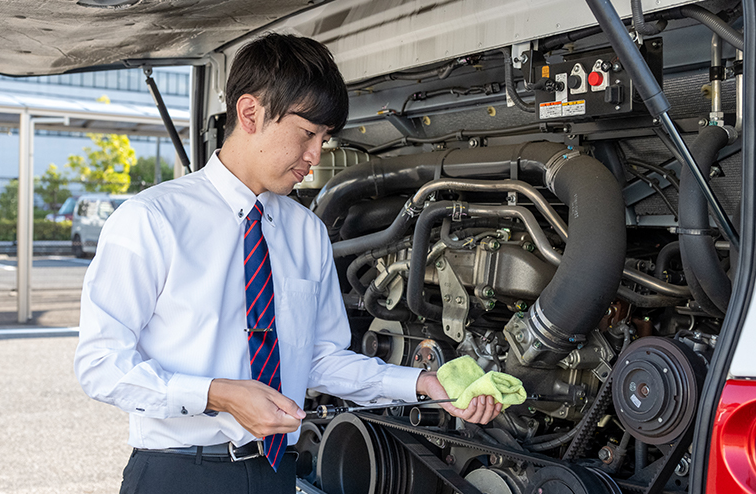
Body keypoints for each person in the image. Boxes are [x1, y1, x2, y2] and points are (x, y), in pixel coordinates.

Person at [74, 32, 502, 494]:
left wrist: (423, 382)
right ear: (250, 113)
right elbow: (101, 365)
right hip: (179, 473)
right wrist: (218, 394)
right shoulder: (151, 220)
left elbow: (317, 359)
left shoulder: (306, 231)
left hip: (276, 474)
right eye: (307, 133)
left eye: (324, 138)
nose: (316, 156)